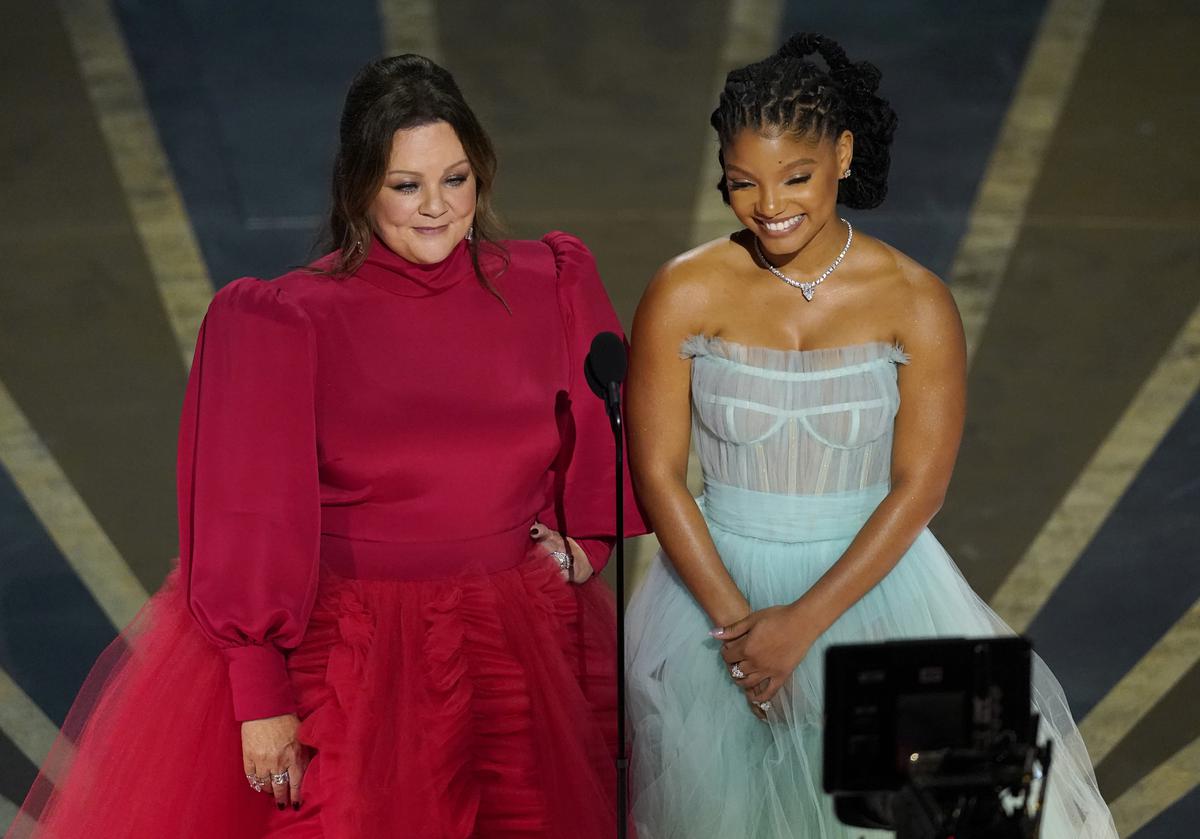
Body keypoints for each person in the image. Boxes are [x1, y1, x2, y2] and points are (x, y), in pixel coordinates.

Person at [8, 54, 645, 839]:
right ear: (358, 189)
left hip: (513, 650)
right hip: (355, 669)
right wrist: (260, 696)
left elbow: (602, 422)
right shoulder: (288, 321)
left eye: (456, 178)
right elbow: (247, 519)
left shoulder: (548, 282)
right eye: (407, 185)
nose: (438, 207)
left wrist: (586, 541)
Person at [624, 33, 1117, 838]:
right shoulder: (682, 290)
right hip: (714, 600)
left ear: (844, 155)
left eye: (797, 177)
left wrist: (801, 624)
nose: (770, 204)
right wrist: (743, 635)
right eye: (743, 182)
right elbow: (657, 472)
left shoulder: (914, 300)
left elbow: (921, 484)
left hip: (878, 593)